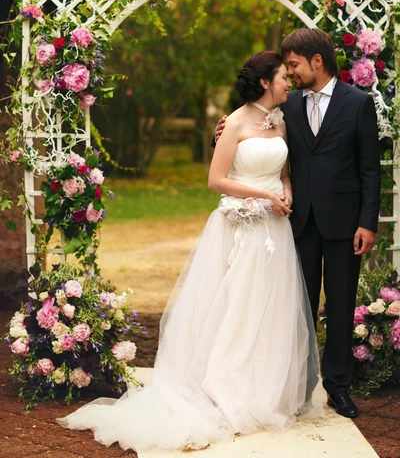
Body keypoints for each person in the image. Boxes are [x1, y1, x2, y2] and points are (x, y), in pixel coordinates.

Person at [58, 51, 323, 453]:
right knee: (233, 306)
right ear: (266, 82)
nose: (290, 81)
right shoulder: (233, 122)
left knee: (268, 309)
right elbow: (216, 180)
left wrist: (285, 192)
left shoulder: (282, 120)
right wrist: (263, 196)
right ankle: (223, 387)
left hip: (275, 230)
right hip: (240, 228)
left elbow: (284, 172)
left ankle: (263, 389)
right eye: (284, 76)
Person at [215, 28, 381, 419]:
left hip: (345, 224)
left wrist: (368, 222)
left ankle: (338, 388)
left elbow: (370, 169)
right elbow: (249, 134)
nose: (290, 74)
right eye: (286, 69)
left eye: (294, 65)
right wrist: (218, 132)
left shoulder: (357, 103)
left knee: (340, 307)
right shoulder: (284, 106)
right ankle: (298, 388)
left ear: (316, 62)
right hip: (296, 222)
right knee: (296, 308)